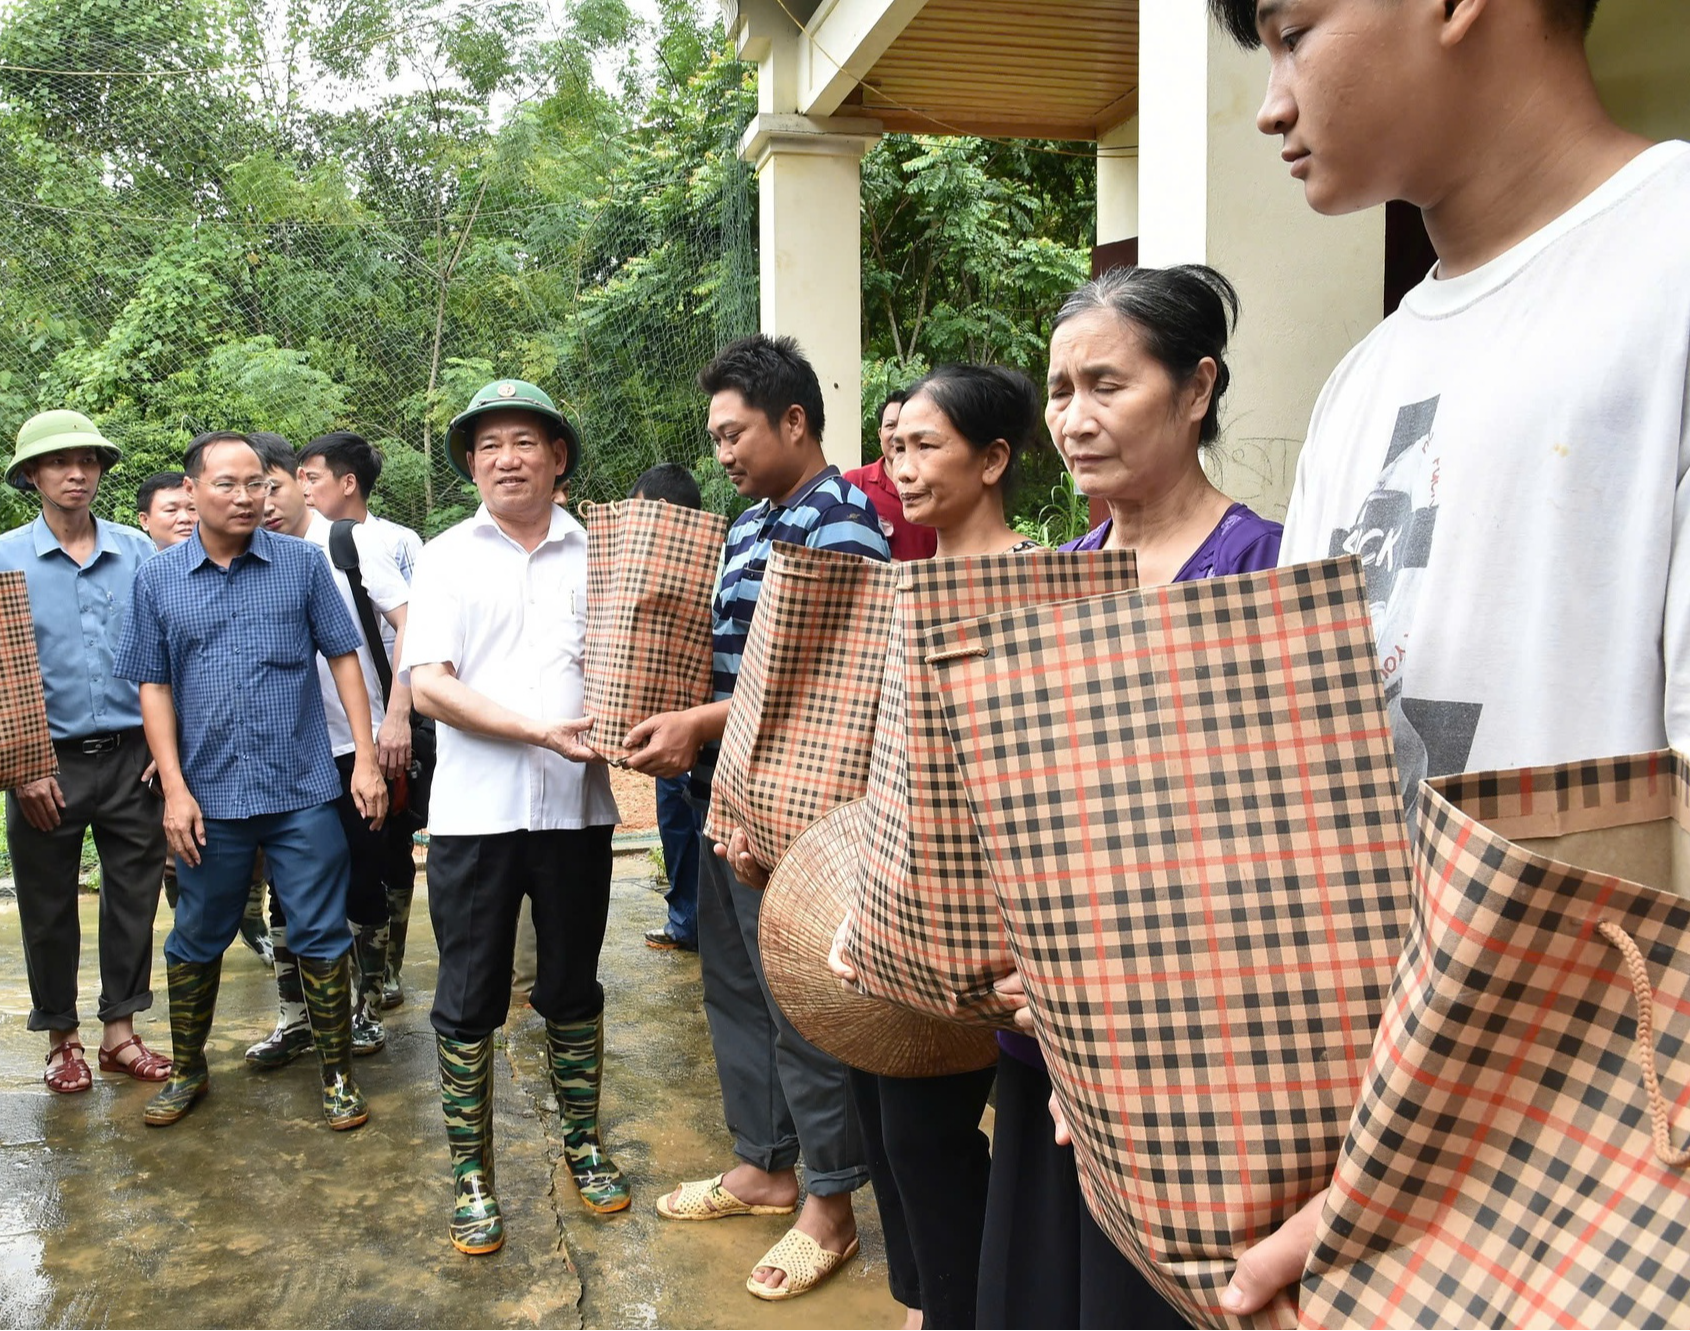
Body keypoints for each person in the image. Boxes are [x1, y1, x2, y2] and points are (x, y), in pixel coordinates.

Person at [1200, 0, 1689, 1314]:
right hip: (1375, 1158)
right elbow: (1308, 784)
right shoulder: (1362, 378)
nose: (1268, 102)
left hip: (1580, 1189)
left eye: (1294, 31)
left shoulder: (1671, 260)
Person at [983, 265, 1281, 1330]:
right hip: (1037, 1036)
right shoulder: (1051, 575)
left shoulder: (1257, 571)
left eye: (1105, 384)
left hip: (1185, 1063)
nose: (1072, 418)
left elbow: (1276, 848)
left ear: (1194, 389)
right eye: (1059, 391)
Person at [626, 334, 887, 1302]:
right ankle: (764, 1162)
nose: (723, 453)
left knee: (800, 1004)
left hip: (804, 804)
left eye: (736, 434)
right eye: (715, 437)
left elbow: (830, 681)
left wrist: (698, 721)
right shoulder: (748, 524)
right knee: (734, 984)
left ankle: (830, 1201)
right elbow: (730, 660)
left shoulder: (842, 521)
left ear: (794, 420)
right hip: (729, 794)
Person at [829, 364, 1043, 1330]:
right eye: (895, 448)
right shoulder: (908, 584)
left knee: (930, 1135)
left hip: (982, 925)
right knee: (885, 1124)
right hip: (895, 908)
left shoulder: (1040, 588)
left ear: (994, 458)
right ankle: (927, 1303)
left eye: (926, 446)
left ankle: (961, 1306)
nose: (901, 469)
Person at [403, 378, 625, 1256]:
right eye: (489, 444)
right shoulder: (447, 554)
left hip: (577, 810)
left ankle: (584, 1143)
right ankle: (472, 1175)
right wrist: (537, 728)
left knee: (573, 983)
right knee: (468, 996)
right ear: (469, 463)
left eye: (525, 442)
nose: (507, 458)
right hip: (475, 814)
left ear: (558, 458)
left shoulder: (601, 548)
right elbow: (429, 685)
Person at [112, 430, 387, 1131]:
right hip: (211, 798)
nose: (245, 496)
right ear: (193, 490)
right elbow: (153, 686)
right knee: (197, 934)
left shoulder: (300, 564)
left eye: (256, 484)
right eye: (226, 484)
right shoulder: (158, 578)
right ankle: (188, 1069)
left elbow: (345, 657)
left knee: (321, 931)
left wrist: (364, 757)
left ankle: (336, 1076)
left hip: (301, 790)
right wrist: (173, 786)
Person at [0, 410, 171, 1094]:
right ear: (33, 476)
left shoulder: (139, 552)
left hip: (134, 754)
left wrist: (171, 750)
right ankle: (62, 1039)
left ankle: (119, 1035)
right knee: (46, 905)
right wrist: (19, 768)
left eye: (89, 461)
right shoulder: (5, 558)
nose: (77, 473)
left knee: (134, 895)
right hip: (46, 761)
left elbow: (171, 652)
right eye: (60, 462)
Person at [248, 432, 411, 1063]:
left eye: (272, 485)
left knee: (360, 881)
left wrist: (394, 718)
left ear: (300, 481)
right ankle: (296, 1017)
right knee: (287, 891)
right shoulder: (247, 554)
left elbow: (410, 621)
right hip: (283, 754)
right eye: (246, 488)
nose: (261, 501)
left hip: (353, 747)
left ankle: (365, 1008)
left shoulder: (350, 543)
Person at [296, 430, 425, 1011]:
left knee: (385, 851)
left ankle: (381, 975)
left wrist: (397, 715)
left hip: (375, 726)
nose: (298, 491)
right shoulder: (272, 549)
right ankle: (316, 1002)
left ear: (348, 482)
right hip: (313, 740)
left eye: (308, 478)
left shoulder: (388, 543)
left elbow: (415, 628)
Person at [629, 461, 706, 954]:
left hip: (705, 734)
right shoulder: (648, 572)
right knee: (677, 829)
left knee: (702, 831)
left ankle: (702, 927)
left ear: (660, 513)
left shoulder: (708, 565)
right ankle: (685, 922)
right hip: (670, 730)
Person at [843, 390, 938, 562]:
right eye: (891, 425)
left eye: (905, 425)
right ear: (879, 434)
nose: (897, 434)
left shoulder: (936, 485)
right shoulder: (854, 484)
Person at [136, 470, 196, 550]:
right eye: (171, 510)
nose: (185, 518)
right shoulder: (137, 560)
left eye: (193, 509)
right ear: (145, 520)